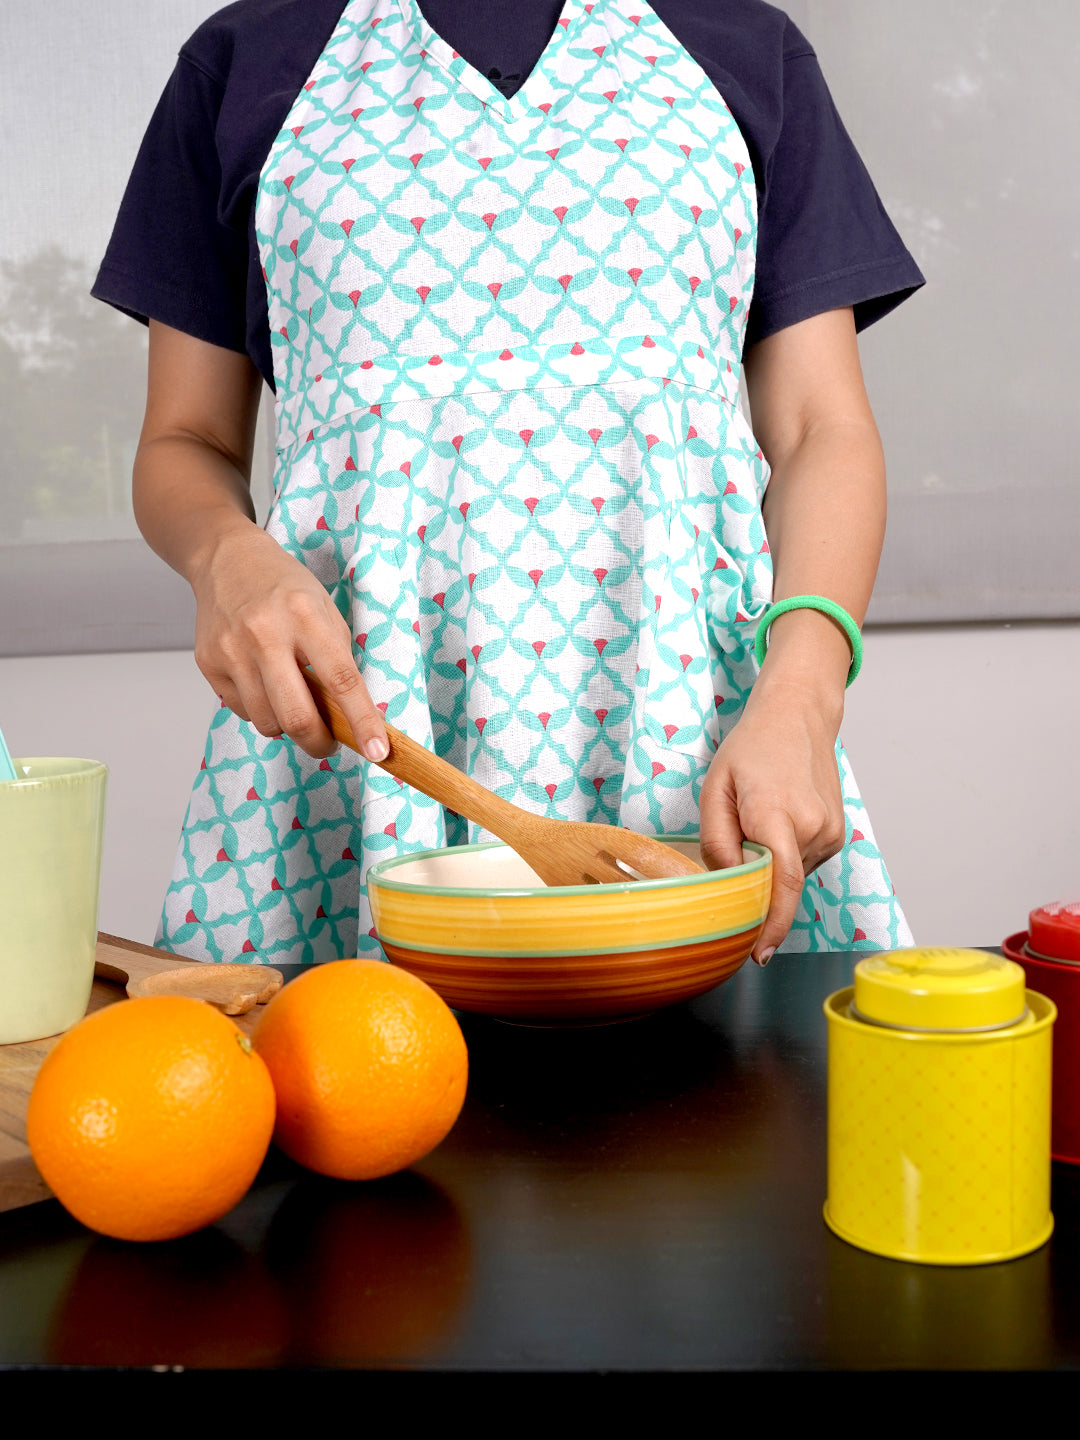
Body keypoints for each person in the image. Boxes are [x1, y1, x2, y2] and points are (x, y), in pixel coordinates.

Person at [94, 0, 924, 967]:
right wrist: (223, 558)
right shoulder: (243, 60)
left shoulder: (746, 49)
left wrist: (805, 696)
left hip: (703, 740)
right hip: (358, 735)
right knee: (338, 1061)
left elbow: (823, 429)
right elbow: (185, 438)